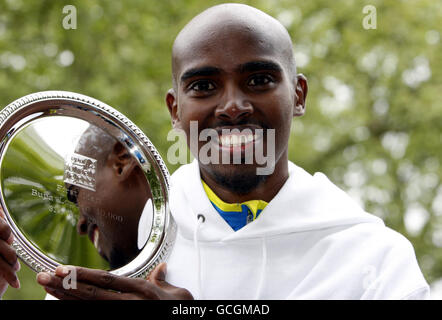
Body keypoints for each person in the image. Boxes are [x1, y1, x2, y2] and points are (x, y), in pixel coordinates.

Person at [0, 3, 429, 300]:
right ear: (175, 109)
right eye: (203, 86)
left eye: (259, 79)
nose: (232, 107)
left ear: (298, 95)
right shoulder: (124, 244)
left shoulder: (374, 259)